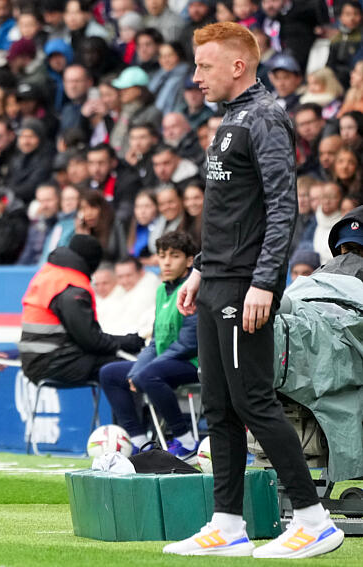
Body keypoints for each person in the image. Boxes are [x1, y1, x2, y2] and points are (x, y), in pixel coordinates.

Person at [170, 22, 343, 558]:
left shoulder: (266, 116)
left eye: (205, 65)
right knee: (218, 408)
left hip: (246, 287)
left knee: (255, 402)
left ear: (238, 66)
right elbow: (230, 212)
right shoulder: (230, 119)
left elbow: (281, 205)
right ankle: (227, 522)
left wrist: (265, 281)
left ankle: (313, 519)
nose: (195, 76)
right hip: (218, 281)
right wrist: (200, 267)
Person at [99, 231, 200, 455]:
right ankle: (140, 443)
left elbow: (188, 343)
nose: (166, 262)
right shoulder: (162, 290)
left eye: (174, 256)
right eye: (162, 256)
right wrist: (137, 370)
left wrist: (142, 371)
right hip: (163, 362)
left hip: (192, 363)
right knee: (110, 373)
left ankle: (186, 441)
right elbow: (155, 342)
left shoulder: (194, 289)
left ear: (190, 260)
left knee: (147, 374)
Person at [18, 234, 145, 386]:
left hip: (38, 359)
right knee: (125, 365)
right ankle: (132, 410)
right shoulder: (71, 287)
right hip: (53, 362)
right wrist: (129, 341)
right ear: (92, 262)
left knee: (115, 363)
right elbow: (91, 340)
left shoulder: (52, 273)